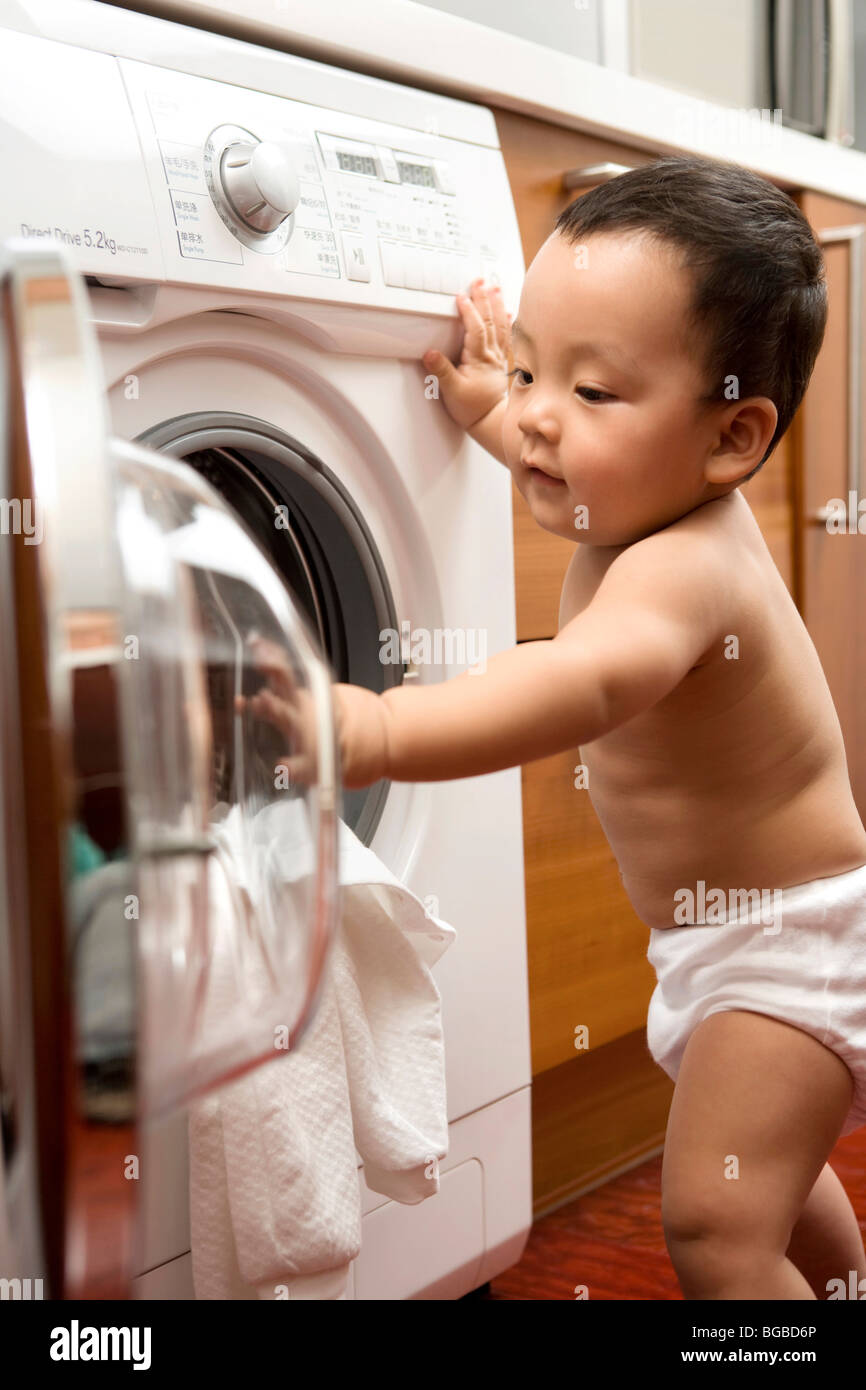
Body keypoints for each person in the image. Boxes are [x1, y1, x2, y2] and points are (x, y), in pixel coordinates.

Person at [240, 155, 866, 1301]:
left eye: (590, 393)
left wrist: (376, 728)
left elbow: (578, 683)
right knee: (763, 1171)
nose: (536, 418)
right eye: (531, 366)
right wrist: (489, 398)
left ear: (730, 439)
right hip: (719, 940)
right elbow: (547, 451)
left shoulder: (685, 569)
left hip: (789, 943)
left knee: (715, 1229)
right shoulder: (630, 493)